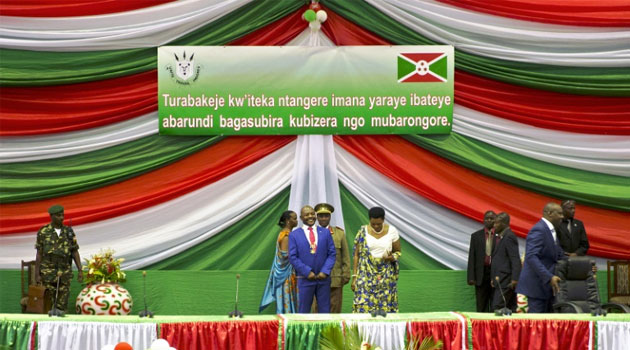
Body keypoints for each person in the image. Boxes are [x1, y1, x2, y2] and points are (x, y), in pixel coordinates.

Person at [516, 202, 565, 313]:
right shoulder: (539, 230)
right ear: (550, 213)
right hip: (535, 288)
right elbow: (531, 257)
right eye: (560, 214)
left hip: (546, 289)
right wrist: (549, 277)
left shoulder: (551, 231)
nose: (562, 217)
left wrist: (584, 266)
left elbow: (560, 255)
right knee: (536, 327)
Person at [352, 206, 401, 314]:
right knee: (363, 305)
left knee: (384, 307)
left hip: (385, 275)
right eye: (373, 224)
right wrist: (354, 277)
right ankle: (364, 330)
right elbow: (356, 255)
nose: (376, 226)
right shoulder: (362, 231)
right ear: (369, 220)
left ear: (383, 219)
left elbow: (398, 252)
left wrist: (392, 258)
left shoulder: (392, 231)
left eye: (378, 224)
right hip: (365, 273)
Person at [34, 205, 83, 312]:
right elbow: (39, 253)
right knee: (48, 302)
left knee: (62, 302)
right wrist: (37, 273)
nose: (61, 218)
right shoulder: (43, 231)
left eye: (62, 215)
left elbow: (74, 251)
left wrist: (80, 270)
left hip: (64, 270)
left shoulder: (68, 232)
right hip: (48, 270)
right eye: (58, 215)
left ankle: (60, 321)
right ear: (51, 216)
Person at [288, 205, 336, 313]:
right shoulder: (294, 235)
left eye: (312, 214)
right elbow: (292, 257)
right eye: (306, 214)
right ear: (301, 218)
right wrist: (306, 271)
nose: (310, 216)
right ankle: (303, 330)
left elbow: (332, 254)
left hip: (323, 279)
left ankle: (325, 330)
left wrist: (325, 271)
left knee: (325, 311)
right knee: (303, 311)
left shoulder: (325, 232)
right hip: (304, 279)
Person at [311, 203, 350, 313]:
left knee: (335, 309)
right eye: (321, 216)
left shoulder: (339, 234)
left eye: (326, 216)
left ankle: (334, 331)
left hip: (335, 278)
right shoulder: (311, 234)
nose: (323, 218)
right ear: (317, 217)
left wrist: (346, 275)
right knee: (317, 310)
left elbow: (345, 256)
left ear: (330, 217)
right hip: (316, 278)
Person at [259, 210, 299, 313]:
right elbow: (285, 255)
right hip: (286, 275)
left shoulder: (287, 234)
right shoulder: (286, 235)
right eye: (294, 218)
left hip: (288, 273)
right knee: (287, 302)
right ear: (287, 221)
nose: (297, 221)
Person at [490, 212, 521, 311]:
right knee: (511, 307)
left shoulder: (509, 237)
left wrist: (515, 279)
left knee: (497, 306)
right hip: (500, 278)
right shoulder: (500, 236)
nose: (494, 226)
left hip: (506, 280)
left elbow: (515, 258)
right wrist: (493, 277)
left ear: (504, 223)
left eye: (496, 223)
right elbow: (498, 259)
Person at [467, 210, 497, 312]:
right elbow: (472, 257)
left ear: (496, 220)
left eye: (491, 218)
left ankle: (493, 327)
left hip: (495, 274)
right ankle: (480, 327)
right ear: (483, 220)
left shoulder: (500, 236)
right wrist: (471, 277)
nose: (489, 220)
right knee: (481, 305)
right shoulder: (476, 236)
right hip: (481, 275)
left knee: (495, 305)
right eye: (487, 218)